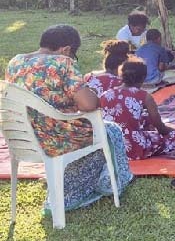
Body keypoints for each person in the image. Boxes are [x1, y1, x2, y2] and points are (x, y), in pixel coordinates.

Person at [5, 25, 134, 211]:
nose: (73, 58)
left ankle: (71, 186)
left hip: (22, 138)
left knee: (95, 132)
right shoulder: (62, 62)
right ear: (66, 50)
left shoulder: (15, 62)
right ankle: (113, 182)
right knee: (110, 129)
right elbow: (88, 104)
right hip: (56, 138)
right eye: (74, 54)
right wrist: (93, 94)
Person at [100, 59, 175, 160]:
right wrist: (174, 131)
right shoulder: (144, 96)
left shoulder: (105, 95)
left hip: (111, 148)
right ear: (143, 77)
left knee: (145, 118)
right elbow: (161, 128)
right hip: (134, 148)